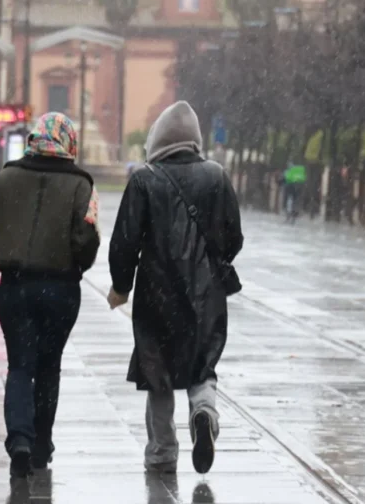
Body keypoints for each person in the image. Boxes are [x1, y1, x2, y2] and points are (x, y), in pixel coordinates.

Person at [107, 101, 243, 475]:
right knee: (202, 365)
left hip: (156, 293)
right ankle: (203, 413)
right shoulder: (217, 176)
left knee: (159, 373)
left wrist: (121, 285)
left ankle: (163, 452)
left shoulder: (143, 179)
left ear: (158, 140)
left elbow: (124, 242)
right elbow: (234, 238)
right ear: (195, 140)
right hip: (207, 294)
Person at [0, 112, 100, 478]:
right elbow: (87, 238)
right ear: (68, 142)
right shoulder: (82, 186)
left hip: (15, 286)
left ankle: (20, 441)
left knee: (20, 365)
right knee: (49, 366)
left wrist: (4, 247)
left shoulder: (8, 177)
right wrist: (77, 263)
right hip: (60, 288)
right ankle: (42, 443)